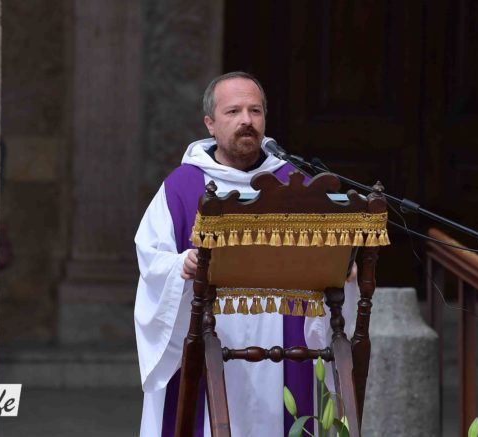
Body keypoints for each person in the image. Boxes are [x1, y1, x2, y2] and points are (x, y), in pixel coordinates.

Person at [134, 71, 358, 436]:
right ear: (210, 123)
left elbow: (328, 255)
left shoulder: (296, 184)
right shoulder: (182, 187)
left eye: (255, 111)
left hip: (283, 341)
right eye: (233, 111)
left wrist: (342, 268)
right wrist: (180, 265)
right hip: (211, 333)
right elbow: (151, 258)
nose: (246, 120)